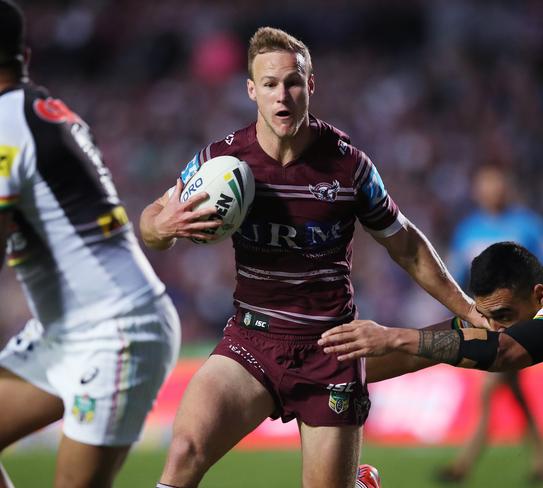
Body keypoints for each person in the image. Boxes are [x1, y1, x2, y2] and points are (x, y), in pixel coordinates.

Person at [140, 26, 485, 488]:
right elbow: (152, 222)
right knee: (184, 450)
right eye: (269, 84)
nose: (282, 95)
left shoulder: (349, 165)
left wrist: (466, 309)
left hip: (330, 350)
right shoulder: (220, 160)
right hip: (251, 342)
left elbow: (403, 243)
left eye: (293, 82)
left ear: (310, 85)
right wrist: (159, 228)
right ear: (251, 90)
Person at [0, 2, 181, 487]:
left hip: (115, 330)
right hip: (66, 330)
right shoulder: (39, 113)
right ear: (25, 56)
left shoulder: (4, 126)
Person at [320, 241, 543, 488]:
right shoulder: (509, 309)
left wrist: (395, 336)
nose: (495, 328)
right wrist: (320, 379)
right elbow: (416, 352)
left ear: (539, 296)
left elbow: (506, 353)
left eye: (504, 316)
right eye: (488, 316)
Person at [439, 165, 543, 483]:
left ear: (506, 187)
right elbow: (454, 274)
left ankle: (464, 464)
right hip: (484, 320)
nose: (490, 191)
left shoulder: (528, 225)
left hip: (520, 323)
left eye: (495, 184)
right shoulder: (467, 229)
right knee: (514, 393)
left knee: (488, 389)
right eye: (484, 185)